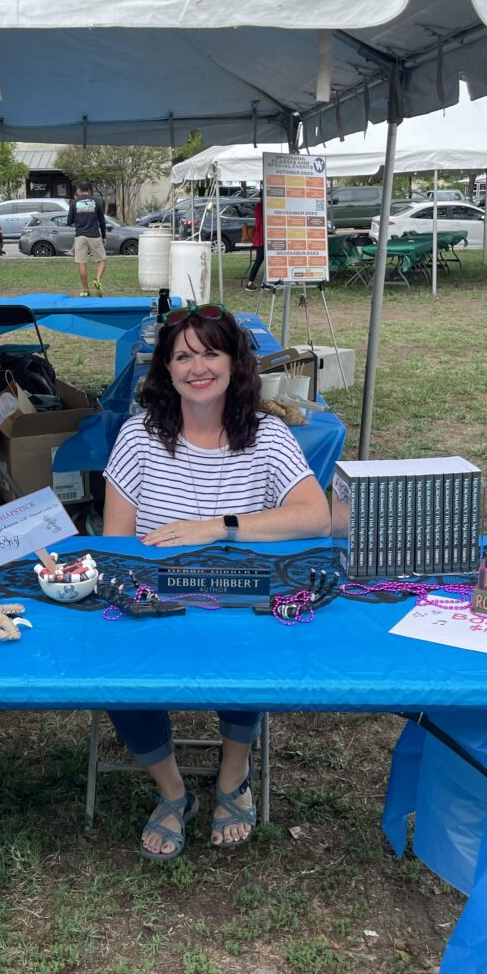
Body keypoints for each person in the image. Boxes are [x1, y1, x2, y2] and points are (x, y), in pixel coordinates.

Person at [102, 303, 330, 860]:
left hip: (237, 597)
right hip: (156, 598)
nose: (197, 367)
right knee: (115, 664)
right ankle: (173, 791)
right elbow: (116, 544)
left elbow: (315, 515)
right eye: (183, 356)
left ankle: (233, 774)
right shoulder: (138, 438)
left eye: (210, 353)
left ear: (235, 362)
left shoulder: (267, 435)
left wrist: (218, 527)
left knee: (250, 644)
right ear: (165, 369)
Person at [67, 180, 106, 296]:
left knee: (82, 263)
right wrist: (104, 236)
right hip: (94, 235)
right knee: (101, 261)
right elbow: (102, 221)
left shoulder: (74, 203)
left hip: (80, 236)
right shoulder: (97, 201)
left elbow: (69, 221)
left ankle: (85, 290)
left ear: (79, 190)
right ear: (89, 190)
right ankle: (97, 279)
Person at [245, 199, 265, 291]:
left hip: (265, 238)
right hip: (261, 239)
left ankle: (266, 282)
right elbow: (261, 221)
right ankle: (250, 283)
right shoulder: (259, 206)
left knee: (266, 260)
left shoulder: (264, 205)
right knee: (259, 260)